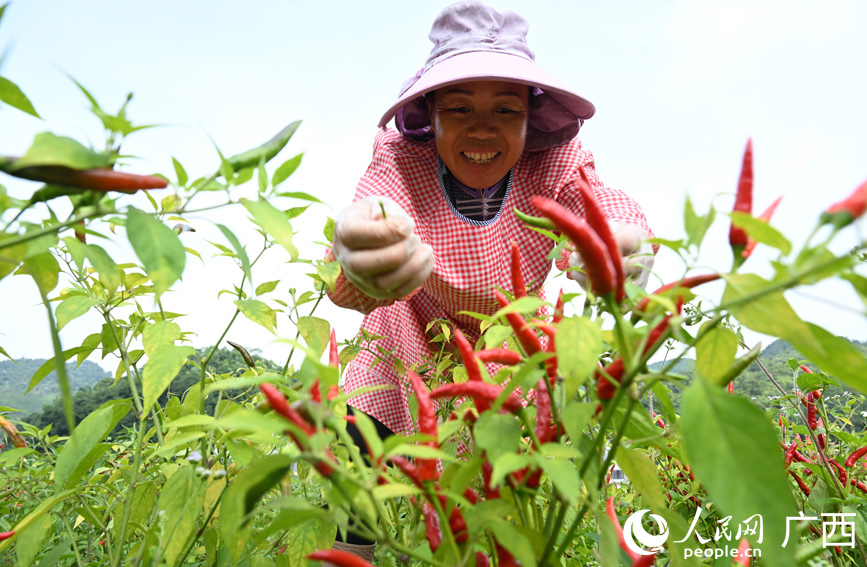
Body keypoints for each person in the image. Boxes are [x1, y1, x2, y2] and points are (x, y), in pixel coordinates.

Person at [324, 1, 655, 561]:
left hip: (511, 360)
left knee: (504, 516)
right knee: (358, 516)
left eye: (505, 109)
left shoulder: (552, 162)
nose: (482, 128)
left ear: (532, 113)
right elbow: (375, 206)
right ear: (431, 113)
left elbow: (600, 201)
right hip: (404, 346)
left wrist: (626, 242)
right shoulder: (402, 158)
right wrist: (362, 246)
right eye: (459, 108)